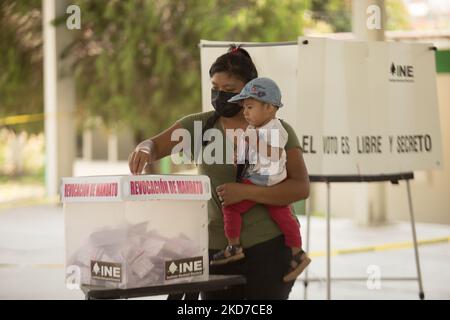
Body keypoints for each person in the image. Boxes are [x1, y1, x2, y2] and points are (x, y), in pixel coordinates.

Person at [128, 44, 310, 299]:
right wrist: (144, 150)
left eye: (229, 90)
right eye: (215, 88)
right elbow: (154, 145)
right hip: (216, 250)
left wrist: (246, 192)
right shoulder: (199, 126)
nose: (220, 96)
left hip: (269, 245)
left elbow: (300, 187)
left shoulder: (276, 129)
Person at [209, 77, 311, 283]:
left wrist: (254, 141)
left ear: (270, 108)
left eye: (249, 107)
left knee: (231, 205)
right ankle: (297, 253)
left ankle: (234, 246)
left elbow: (274, 155)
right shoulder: (251, 129)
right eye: (244, 107)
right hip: (258, 177)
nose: (245, 112)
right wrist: (240, 153)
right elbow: (249, 154)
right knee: (283, 218)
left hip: (267, 180)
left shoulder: (276, 129)